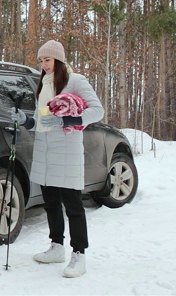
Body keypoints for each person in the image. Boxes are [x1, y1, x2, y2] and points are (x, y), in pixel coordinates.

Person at [11, 40, 105, 278]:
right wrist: (26, 120)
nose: (44, 65)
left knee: (73, 205)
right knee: (50, 202)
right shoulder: (43, 84)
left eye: (48, 60)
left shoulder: (75, 81)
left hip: (67, 150)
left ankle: (79, 254)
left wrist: (66, 121)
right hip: (44, 149)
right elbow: (43, 120)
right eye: (41, 61)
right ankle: (56, 246)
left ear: (59, 60)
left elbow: (97, 110)